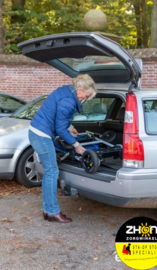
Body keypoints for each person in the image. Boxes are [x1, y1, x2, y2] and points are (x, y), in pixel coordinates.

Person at [28, 74, 97, 223]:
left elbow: (58, 116)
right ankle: (53, 212)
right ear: (79, 90)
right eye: (85, 96)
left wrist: (70, 127)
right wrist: (76, 145)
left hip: (36, 132)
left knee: (49, 173)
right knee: (52, 172)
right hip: (41, 135)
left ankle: (48, 211)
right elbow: (60, 128)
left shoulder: (66, 91)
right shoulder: (69, 101)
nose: (84, 99)